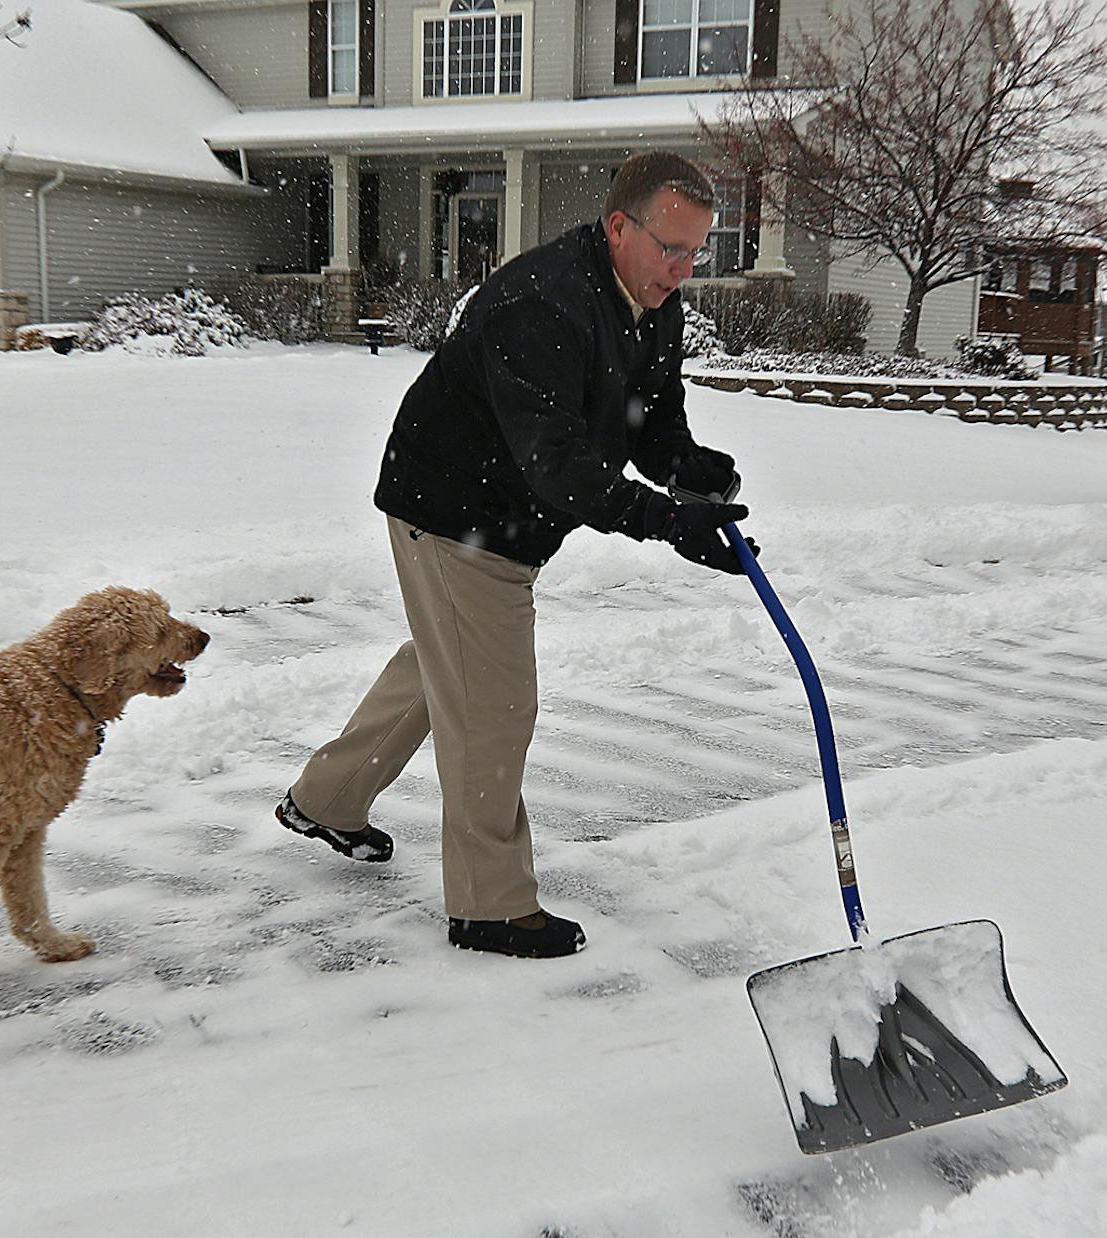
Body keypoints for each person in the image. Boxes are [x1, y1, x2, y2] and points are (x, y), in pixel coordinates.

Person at [276, 151, 757, 959]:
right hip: (456, 508)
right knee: (494, 704)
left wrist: (683, 466)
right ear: (617, 227)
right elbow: (560, 466)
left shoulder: (652, 300)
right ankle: (489, 904)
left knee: (452, 663)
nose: (681, 270)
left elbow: (646, 417)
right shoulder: (543, 303)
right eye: (669, 248)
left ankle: (326, 798)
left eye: (695, 252)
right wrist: (668, 523)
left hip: (504, 515)